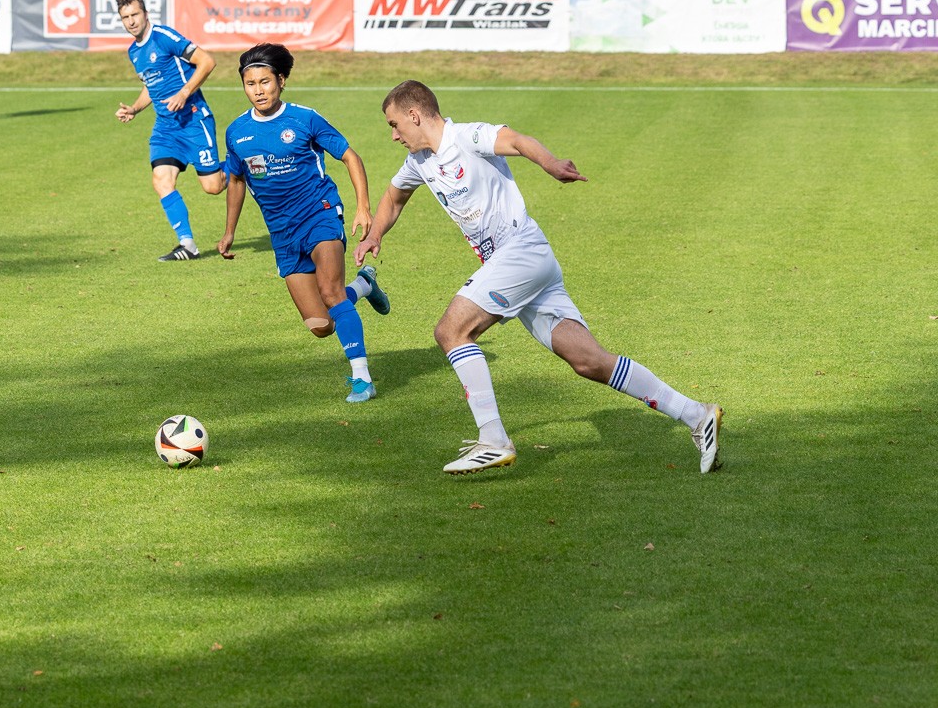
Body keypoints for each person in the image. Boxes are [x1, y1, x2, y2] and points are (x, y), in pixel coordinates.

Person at [355, 79, 723, 474]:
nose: (393, 135)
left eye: (395, 125)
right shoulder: (419, 162)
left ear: (414, 115)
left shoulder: (466, 136)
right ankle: (696, 415)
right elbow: (394, 197)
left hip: (520, 253)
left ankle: (493, 439)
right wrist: (376, 233)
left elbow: (516, 140)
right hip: (523, 264)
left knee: (451, 331)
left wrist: (551, 164)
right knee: (588, 361)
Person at [218, 43, 389, 403]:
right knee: (321, 326)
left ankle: (363, 379)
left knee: (330, 291)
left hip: (320, 213)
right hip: (282, 233)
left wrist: (363, 207)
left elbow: (350, 156)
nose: (259, 90)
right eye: (251, 84)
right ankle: (364, 285)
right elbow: (235, 181)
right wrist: (230, 231)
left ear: (281, 81)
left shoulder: (304, 119)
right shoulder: (236, 132)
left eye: (265, 82)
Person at [113, 0, 226, 261]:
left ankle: (241, 165)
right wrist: (135, 109)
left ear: (145, 13)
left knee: (212, 187)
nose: (131, 21)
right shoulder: (134, 51)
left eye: (134, 15)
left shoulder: (163, 36)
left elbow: (207, 61)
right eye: (125, 18)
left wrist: (185, 92)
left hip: (194, 120)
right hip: (166, 127)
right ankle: (188, 245)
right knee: (162, 180)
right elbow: (151, 86)